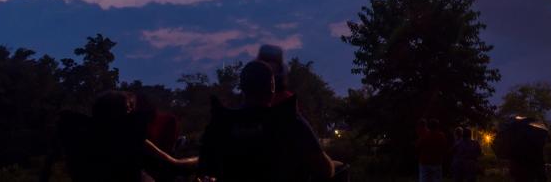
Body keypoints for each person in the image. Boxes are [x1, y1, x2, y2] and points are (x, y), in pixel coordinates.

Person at [199, 60, 341, 181]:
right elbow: (325, 170)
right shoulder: (289, 120)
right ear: (272, 87)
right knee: (339, 167)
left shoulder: (222, 123)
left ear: (242, 87)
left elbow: (206, 167)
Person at [43, 90, 196, 182]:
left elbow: (48, 167)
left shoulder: (80, 138)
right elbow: (174, 165)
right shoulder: (128, 138)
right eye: (130, 108)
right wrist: (202, 159)